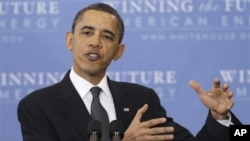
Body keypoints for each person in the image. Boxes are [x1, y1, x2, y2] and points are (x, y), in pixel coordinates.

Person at [17, 2, 241, 141]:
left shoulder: (142, 100)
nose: (95, 42)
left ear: (118, 52)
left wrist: (219, 118)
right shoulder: (38, 106)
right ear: (69, 40)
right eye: (87, 32)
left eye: (107, 36)